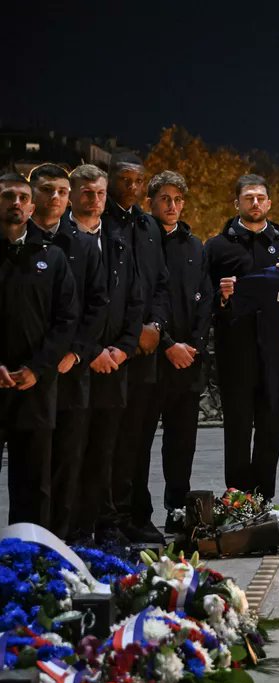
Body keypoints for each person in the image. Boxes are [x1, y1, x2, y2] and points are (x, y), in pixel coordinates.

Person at [205, 174, 279, 501]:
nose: (255, 203)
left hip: (276, 356)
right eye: (249, 198)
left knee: (272, 430)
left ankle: (263, 498)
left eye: (260, 197)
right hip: (236, 356)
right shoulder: (217, 247)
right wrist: (222, 296)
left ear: (270, 203)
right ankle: (237, 499)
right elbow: (203, 299)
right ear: (237, 203)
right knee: (237, 429)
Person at [28, 165, 106, 539]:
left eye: (61, 191)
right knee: (31, 468)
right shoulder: (17, 241)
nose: (55, 198)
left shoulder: (85, 244)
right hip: (27, 371)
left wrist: (75, 353)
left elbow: (96, 305)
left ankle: (59, 542)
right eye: (48, 190)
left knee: (67, 463)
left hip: (71, 371)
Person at [68, 165, 143, 542]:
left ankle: (103, 525)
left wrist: (124, 348)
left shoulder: (117, 238)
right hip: (77, 365)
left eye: (99, 193)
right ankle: (73, 530)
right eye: (87, 192)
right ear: (72, 194)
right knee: (72, 452)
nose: (95, 200)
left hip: (115, 362)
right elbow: (68, 308)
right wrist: (90, 350)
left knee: (106, 452)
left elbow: (134, 297)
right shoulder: (61, 240)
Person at [0, 173, 78, 525]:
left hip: (36, 386)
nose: (15, 203)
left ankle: (30, 561)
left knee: (34, 483)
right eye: (7, 196)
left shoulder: (54, 257)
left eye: (21, 197)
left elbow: (66, 320)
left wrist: (37, 367)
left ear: (31, 207)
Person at [105, 153, 170, 542]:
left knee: (140, 439)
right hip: (114, 352)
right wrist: (131, 336)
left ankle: (134, 514)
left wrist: (157, 327)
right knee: (109, 440)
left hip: (146, 350)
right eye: (125, 180)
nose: (132, 187)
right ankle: (106, 519)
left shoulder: (148, 226)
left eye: (137, 181)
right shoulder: (101, 222)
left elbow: (159, 284)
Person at [148, 171, 212, 531]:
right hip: (152, 359)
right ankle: (134, 513)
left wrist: (194, 347)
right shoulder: (141, 239)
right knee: (137, 443)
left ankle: (176, 510)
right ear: (151, 203)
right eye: (164, 199)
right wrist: (169, 345)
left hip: (188, 360)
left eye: (177, 199)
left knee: (181, 444)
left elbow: (206, 301)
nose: (172, 206)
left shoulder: (195, 245)